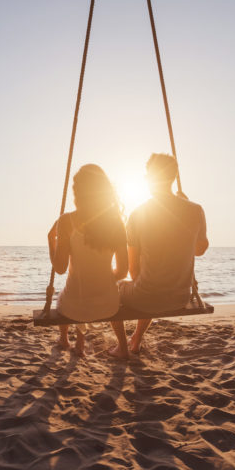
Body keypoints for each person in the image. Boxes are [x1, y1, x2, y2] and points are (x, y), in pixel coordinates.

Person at [112, 153, 209, 357]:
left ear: (149, 178)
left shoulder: (138, 214)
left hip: (148, 297)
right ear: (173, 176)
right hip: (180, 298)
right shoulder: (196, 210)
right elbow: (199, 249)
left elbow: (133, 270)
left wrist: (148, 288)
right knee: (149, 283)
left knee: (115, 288)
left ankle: (122, 348)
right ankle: (136, 340)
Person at [47, 164, 129, 357]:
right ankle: (89, 344)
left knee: (70, 294)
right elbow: (123, 271)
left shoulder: (67, 221)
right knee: (98, 290)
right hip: (107, 305)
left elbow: (59, 268)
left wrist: (51, 240)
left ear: (78, 191)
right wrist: (107, 278)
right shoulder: (116, 223)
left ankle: (65, 339)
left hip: (74, 306)